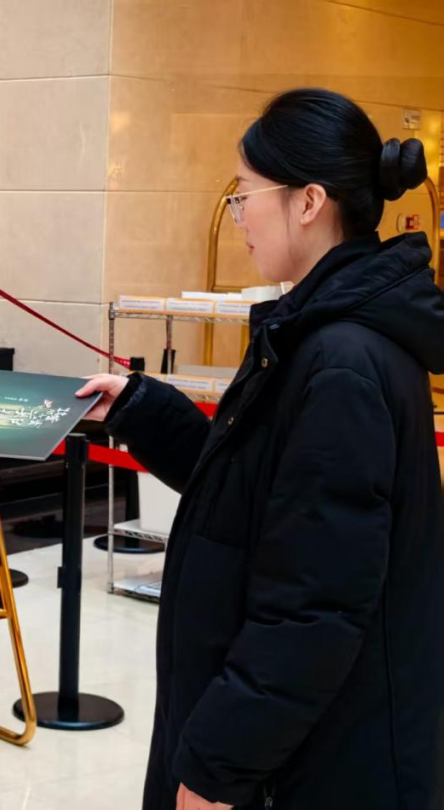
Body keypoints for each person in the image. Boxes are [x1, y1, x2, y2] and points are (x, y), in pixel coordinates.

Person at [80, 89, 444, 809]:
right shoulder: (315, 329)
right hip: (295, 749)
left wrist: (219, 764)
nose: (239, 216)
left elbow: (314, 606)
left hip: (318, 765)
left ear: (308, 202)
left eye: (245, 194)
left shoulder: (342, 361)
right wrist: (143, 408)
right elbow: (254, 493)